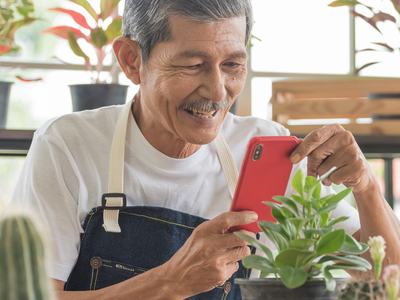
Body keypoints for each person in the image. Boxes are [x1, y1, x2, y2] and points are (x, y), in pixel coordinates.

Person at [13, 0, 400, 299]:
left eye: (232, 65)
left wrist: (365, 187)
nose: (217, 91)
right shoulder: (69, 145)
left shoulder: (271, 150)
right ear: (132, 61)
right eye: (194, 65)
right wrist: (167, 283)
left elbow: (382, 280)